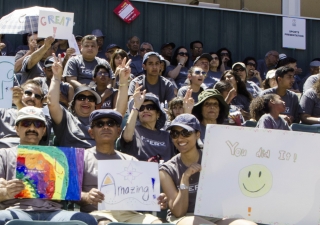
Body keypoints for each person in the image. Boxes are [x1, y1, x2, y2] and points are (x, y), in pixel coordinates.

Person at [0, 106, 97, 225]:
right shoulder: (4, 154)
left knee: (87, 220)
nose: (32, 128)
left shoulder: (58, 156)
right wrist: (6, 193)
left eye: (37, 124)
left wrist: (87, 196)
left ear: (44, 130)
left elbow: (71, 192)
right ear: (17, 129)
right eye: (26, 123)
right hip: (16, 210)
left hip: (53, 212)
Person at [160, 113, 256, 225]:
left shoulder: (214, 159)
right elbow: (179, 212)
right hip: (185, 218)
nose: (180, 138)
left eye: (185, 133)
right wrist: (184, 179)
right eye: (175, 134)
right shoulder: (166, 169)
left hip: (214, 217)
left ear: (197, 134)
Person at [80, 109, 164, 225]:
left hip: (129, 214)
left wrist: (157, 198)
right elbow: (71, 194)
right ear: (91, 133)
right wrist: (87, 196)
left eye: (111, 124)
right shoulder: (82, 158)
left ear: (118, 131)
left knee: (157, 223)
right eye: (99, 124)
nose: (106, 127)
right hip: (98, 213)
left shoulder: (130, 160)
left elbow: (146, 194)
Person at [48, 53, 130, 148]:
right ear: (73, 103)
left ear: (95, 105)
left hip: (100, 160)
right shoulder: (66, 118)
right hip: (73, 160)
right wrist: (56, 77)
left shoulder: (102, 120)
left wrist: (123, 81)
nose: (86, 101)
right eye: (81, 98)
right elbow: (52, 103)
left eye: (91, 99)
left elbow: (120, 111)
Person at [121, 88, 175, 162]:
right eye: (141, 108)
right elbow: (127, 137)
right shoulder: (133, 131)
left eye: (150, 107)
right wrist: (136, 105)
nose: (145, 110)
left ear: (158, 114)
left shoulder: (167, 136)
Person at [0, 80, 52, 148]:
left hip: (30, 155)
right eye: (28, 93)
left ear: (41, 103)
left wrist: (19, 103)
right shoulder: (3, 112)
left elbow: (44, 134)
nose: (33, 97)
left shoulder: (44, 118)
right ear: (20, 94)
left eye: (37, 96)